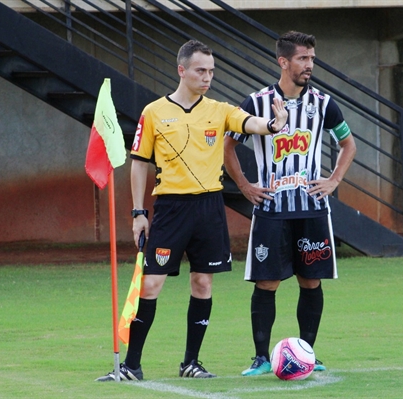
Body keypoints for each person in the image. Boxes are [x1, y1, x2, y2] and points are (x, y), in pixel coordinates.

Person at [96, 39, 287, 382]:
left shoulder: (219, 109)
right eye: (201, 70)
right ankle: (131, 365)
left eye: (211, 71)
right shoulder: (154, 112)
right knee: (151, 284)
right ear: (181, 70)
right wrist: (139, 212)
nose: (207, 77)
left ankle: (191, 362)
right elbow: (139, 164)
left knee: (202, 283)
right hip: (170, 208)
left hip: (209, 207)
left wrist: (274, 125)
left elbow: (250, 123)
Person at [224, 31, 356, 376]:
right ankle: (260, 357)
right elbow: (228, 146)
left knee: (311, 281)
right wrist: (244, 185)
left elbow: (348, 145)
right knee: (267, 283)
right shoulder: (256, 103)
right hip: (270, 210)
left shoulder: (325, 105)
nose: (309, 65)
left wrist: (334, 180)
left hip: (312, 208)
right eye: (302, 59)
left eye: (311, 58)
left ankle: (309, 352)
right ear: (283, 62)